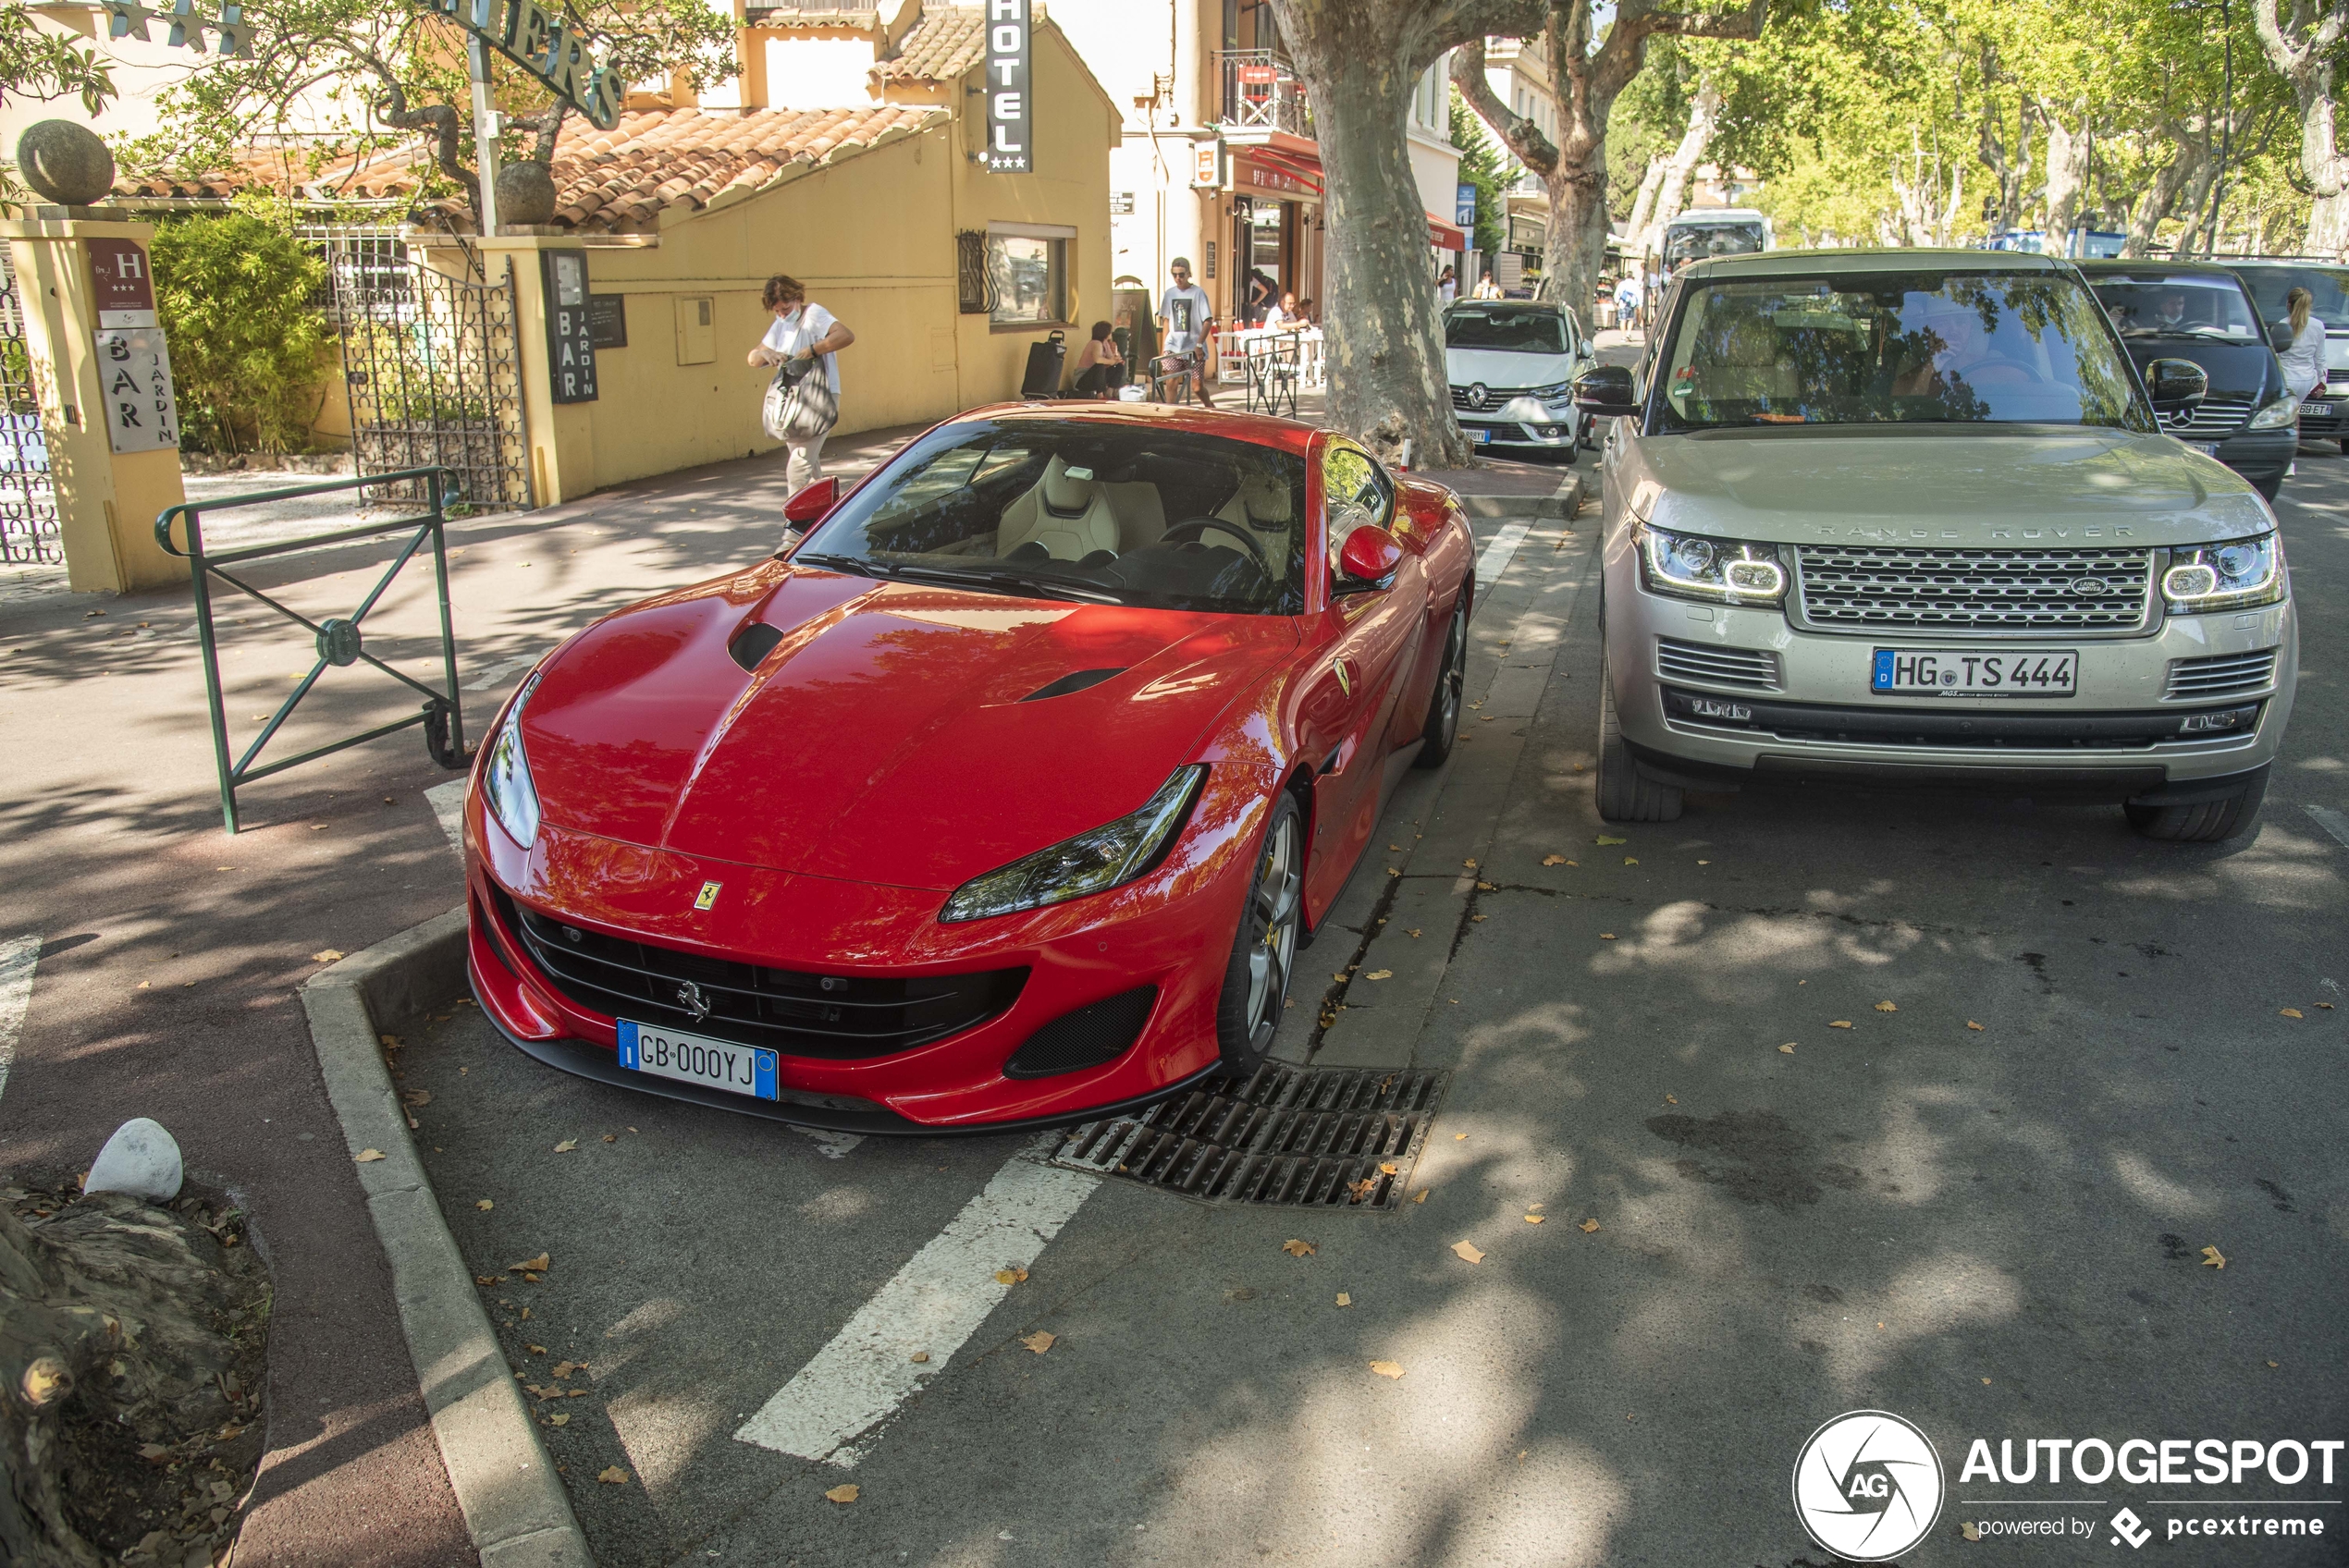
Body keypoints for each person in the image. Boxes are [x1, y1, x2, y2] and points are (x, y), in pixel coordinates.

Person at [747, 274, 854, 491]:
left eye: (785, 309)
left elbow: (845, 335)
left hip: (818, 396)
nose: (781, 315)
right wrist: (768, 354)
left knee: (798, 466)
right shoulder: (780, 324)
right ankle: (823, 518)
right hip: (792, 399)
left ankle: (792, 522)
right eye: (777, 311)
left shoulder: (813, 314)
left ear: (796, 298)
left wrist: (813, 350)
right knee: (810, 466)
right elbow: (753, 358)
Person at [1157, 257, 1217, 408]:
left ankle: (1209, 406)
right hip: (1173, 345)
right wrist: (1164, 347)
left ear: (1189, 274)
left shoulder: (1198, 293)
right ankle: (1171, 415)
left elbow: (1208, 321)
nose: (1178, 278)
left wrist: (1199, 344)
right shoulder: (1169, 293)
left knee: (1197, 387)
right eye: (1174, 275)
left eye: (1181, 275)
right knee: (1171, 382)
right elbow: (1166, 320)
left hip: (1193, 347)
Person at [2279, 286, 2326, 403]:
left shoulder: (2283, 324)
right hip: (2307, 379)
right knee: (2296, 411)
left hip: (2286, 377)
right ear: (2309, 305)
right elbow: (2320, 358)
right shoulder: (2318, 326)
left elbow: (2275, 353)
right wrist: (2322, 381)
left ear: (2289, 304)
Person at [1071, 320, 1126, 398]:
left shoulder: (1105, 343)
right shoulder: (1095, 343)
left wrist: (1117, 360)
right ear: (1105, 333)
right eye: (1110, 332)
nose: (1111, 334)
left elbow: (1111, 357)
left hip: (1096, 378)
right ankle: (1100, 395)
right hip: (1082, 381)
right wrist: (1111, 362)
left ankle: (1110, 392)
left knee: (1119, 367)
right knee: (1099, 366)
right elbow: (1097, 360)